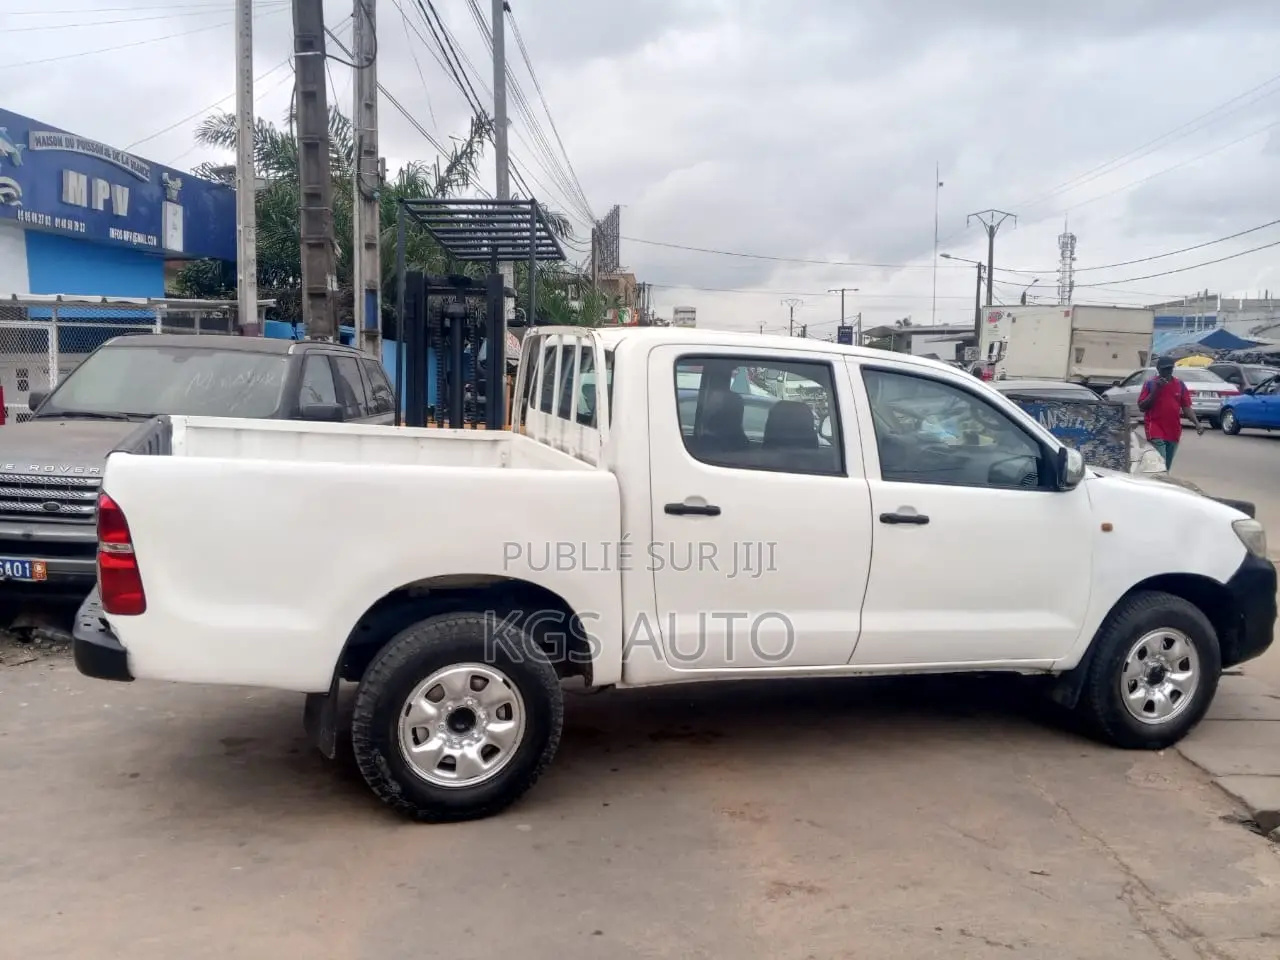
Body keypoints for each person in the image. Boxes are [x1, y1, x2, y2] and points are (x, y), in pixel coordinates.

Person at [1138, 357, 1203, 470]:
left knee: (1166, 466)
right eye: (1164, 369)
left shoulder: (1179, 384)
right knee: (1160, 463)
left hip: (1173, 430)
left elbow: (1186, 407)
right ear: (1158, 369)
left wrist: (1197, 423)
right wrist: (1157, 390)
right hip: (1155, 429)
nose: (1167, 372)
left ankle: (1162, 485)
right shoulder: (1150, 384)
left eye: (1170, 369)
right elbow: (1142, 407)